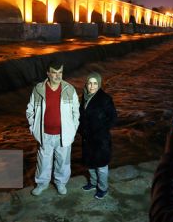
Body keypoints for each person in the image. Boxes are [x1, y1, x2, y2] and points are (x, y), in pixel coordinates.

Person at [26, 60, 80, 196]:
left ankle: (61, 183)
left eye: (60, 72)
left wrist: (73, 129)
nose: (58, 76)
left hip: (63, 134)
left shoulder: (69, 89)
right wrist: (33, 128)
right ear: (48, 74)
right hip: (44, 134)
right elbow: (30, 110)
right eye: (54, 73)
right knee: (43, 162)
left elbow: (76, 112)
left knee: (63, 162)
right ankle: (42, 184)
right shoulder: (38, 89)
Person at [78, 72, 117, 199]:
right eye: (90, 83)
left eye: (95, 83)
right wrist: (81, 130)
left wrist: (100, 130)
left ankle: (103, 188)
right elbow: (81, 116)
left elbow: (113, 118)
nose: (92, 86)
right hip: (87, 137)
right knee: (90, 164)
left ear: (99, 84)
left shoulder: (105, 99)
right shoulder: (84, 96)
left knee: (101, 166)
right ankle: (93, 183)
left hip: (100, 139)